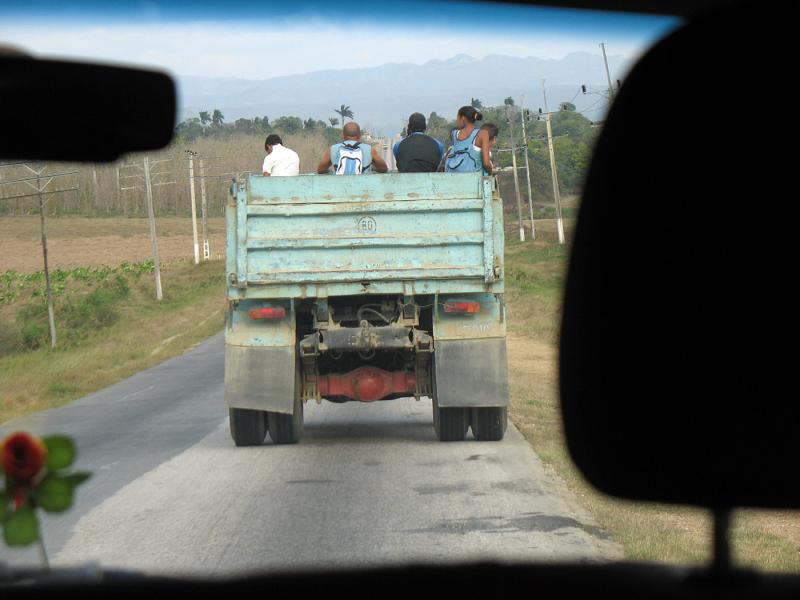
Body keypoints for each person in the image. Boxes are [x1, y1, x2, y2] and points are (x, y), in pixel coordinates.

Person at [317, 122, 388, 175]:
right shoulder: (369, 149)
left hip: (340, 188)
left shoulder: (333, 149)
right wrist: (372, 168)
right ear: (359, 135)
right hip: (363, 189)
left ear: (343, 135)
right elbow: (383, 168)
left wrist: (329, 171)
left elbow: (320, 169)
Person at [443, 106, 495, 175]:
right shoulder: (483, 133)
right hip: (474, 180)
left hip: (454, 178)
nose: (457, 121)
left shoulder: (454, 134)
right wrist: (491, 172)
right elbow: (486, 163)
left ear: (463, 118)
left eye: (458, 118)